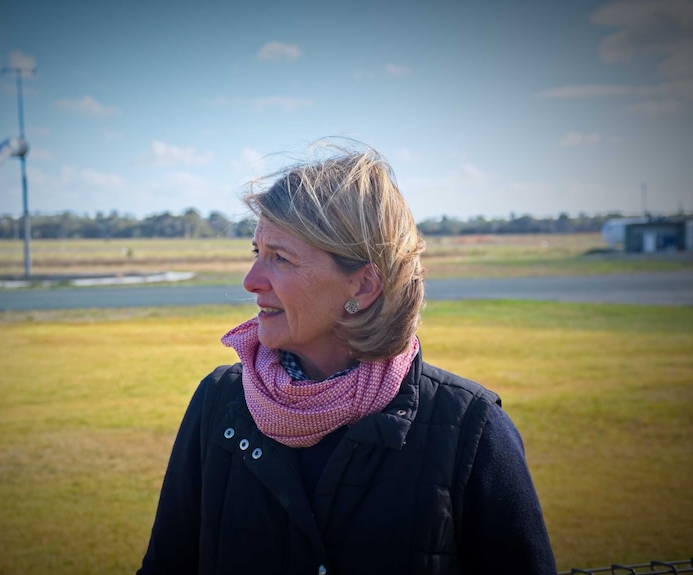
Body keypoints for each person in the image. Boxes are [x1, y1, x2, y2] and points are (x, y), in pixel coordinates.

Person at [137, 142, 556, 574]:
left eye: (280, 258)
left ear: (362, 287)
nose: (251, 281)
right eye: (256, 253)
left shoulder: (470, 428)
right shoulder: (219, 403)